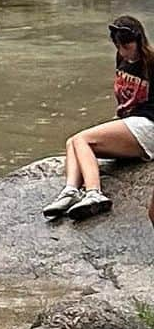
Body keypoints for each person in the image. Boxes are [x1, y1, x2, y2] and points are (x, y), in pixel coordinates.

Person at [43, 14, 154, 223]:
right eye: (119, 46)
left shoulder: (151, 61)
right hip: (130, 124)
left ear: (139, 41)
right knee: (72, 142)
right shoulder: (122, 59)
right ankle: (71, 191)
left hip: (148, 125)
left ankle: (94, 193)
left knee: (82, 139)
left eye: (127, 45)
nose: (123, 51)